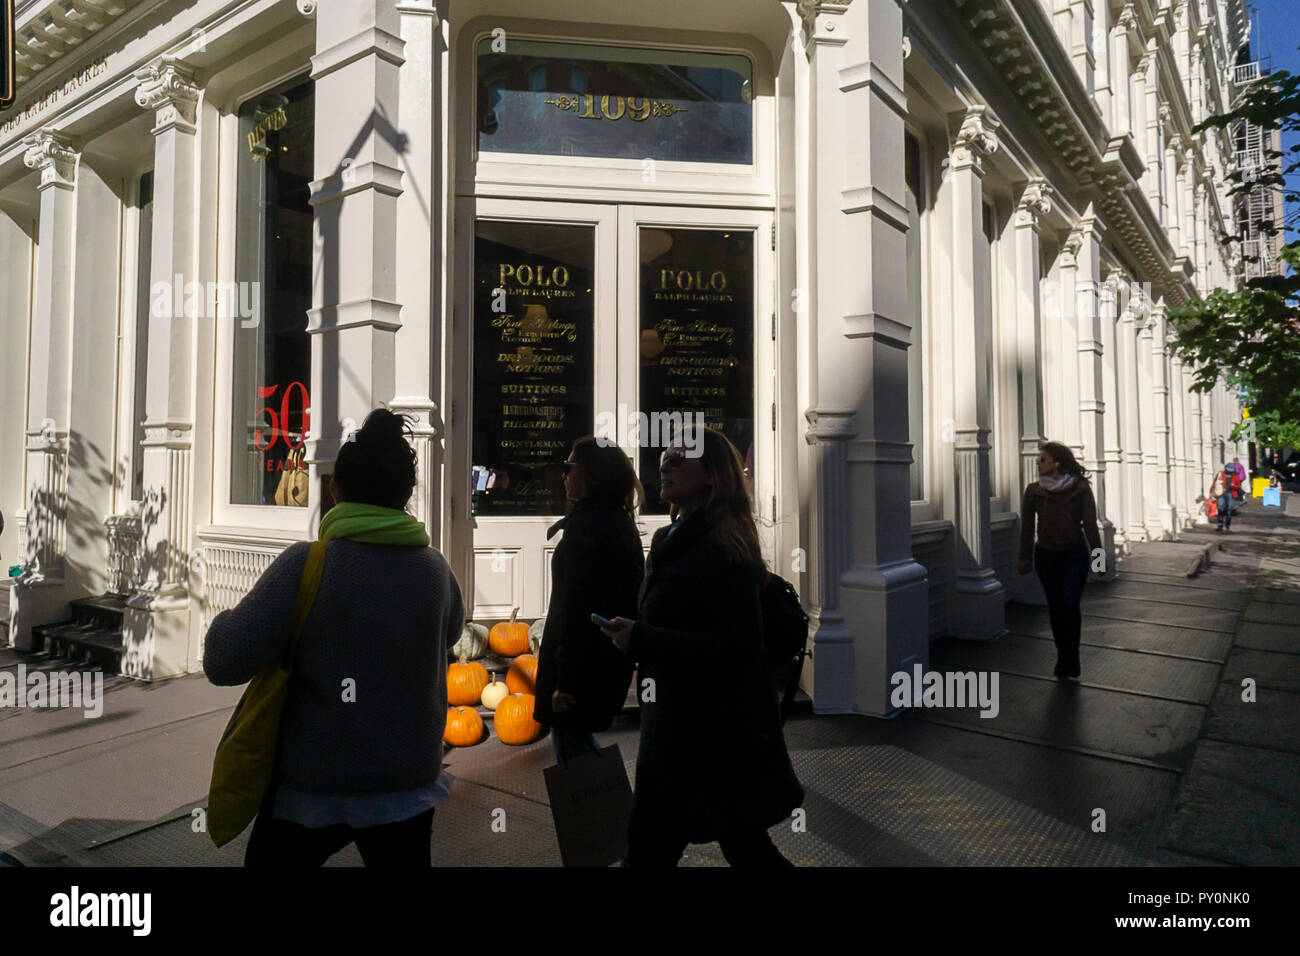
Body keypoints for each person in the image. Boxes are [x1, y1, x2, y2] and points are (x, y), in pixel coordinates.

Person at [204, 409, 464, 866]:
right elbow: (453, 632)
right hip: (407, 788)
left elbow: (223, 660)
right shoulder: (436, 571)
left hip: (313, 792)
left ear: (337, 491)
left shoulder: (306, 565)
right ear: (406, 495)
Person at [599, 426, 804, 866]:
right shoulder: (671, 537)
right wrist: (636, 637)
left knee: (655, 848)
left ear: (712, 475)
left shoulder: (723, 547)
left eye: (680, 457)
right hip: (683, 728)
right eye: (665, 454)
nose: (665, 463)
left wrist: (643, 638)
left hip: (708, 735)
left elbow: (737, 647)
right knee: (744, 846)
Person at [532, 437, 645, 765]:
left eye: (569, 468)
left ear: (592, 475)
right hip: (604, 664)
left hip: (580, 671)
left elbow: (577, 608)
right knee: (582, 754)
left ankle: (611, 817)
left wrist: (565, 682)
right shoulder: (618, 522)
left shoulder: (586, 527)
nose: (564, 475)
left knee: (580, 771)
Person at [1018, 441, 1103, 680]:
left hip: (1074, 555)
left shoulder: (1081, 488)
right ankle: (1062, 657)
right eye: (1038, 461)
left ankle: (1071, 657)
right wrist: (1024, 557)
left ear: (1056, 463)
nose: (1038, 463)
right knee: (1056, 607)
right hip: (1046, 556)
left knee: (1070, 604)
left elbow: (1090, 526)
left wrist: (1099, 560)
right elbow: (1026, 528)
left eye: (1043, 460)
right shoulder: (1033, 490)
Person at [1208, 461, 1239, 532]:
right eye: (1229, 470)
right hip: (1221, 493)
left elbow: (1238, 486)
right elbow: (1214, 482)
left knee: (1229, 509)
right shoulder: (1220, 473)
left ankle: (1227, 524)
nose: (1230, 472)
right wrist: (1211, 491)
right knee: (1220, 508)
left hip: (1230, 493)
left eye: (1231, 470)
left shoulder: (1235, 476)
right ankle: (1220, 524)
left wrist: (1234, 486)